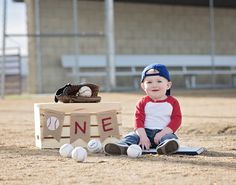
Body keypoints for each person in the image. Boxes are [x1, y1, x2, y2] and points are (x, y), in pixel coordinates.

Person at [104, 63, 182, 155]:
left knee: (170, 138)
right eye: (149, 82)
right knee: (132, 136)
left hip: (164, 132)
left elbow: (176, 120)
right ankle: (122, 146)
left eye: (159, 81)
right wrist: (143, 137)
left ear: (168, 85)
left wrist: (162, 133)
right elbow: (138, 121)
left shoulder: (173, 102)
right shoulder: (142, 102)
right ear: (143, 86)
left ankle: (166, 147)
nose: (154, 85)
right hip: (145, 133)